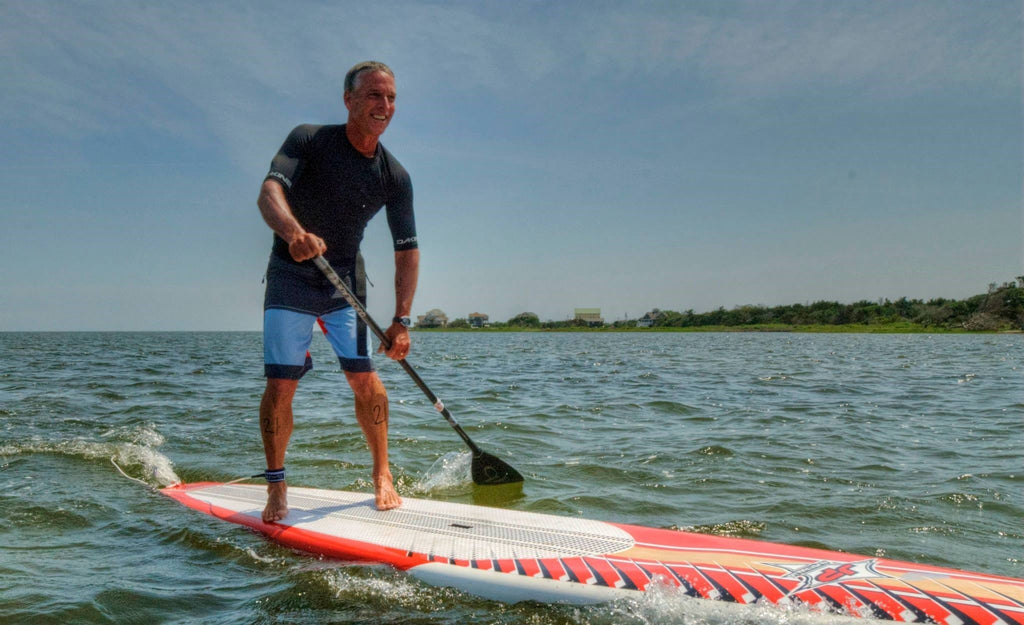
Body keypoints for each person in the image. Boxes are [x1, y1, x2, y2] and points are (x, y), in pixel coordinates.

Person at [255, 61, 418, 522]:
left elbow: (407, 249)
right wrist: (294, 233)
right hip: (291, 277)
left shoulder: (394, 176)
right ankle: (276, 486)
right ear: (349, 100)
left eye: (390, 98)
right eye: (373, 96)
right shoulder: (309, 139)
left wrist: (401, 320)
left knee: (364, 378)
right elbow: (269, 192)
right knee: (281, 384)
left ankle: (383, 473)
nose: (384, 106)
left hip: (345, 283)